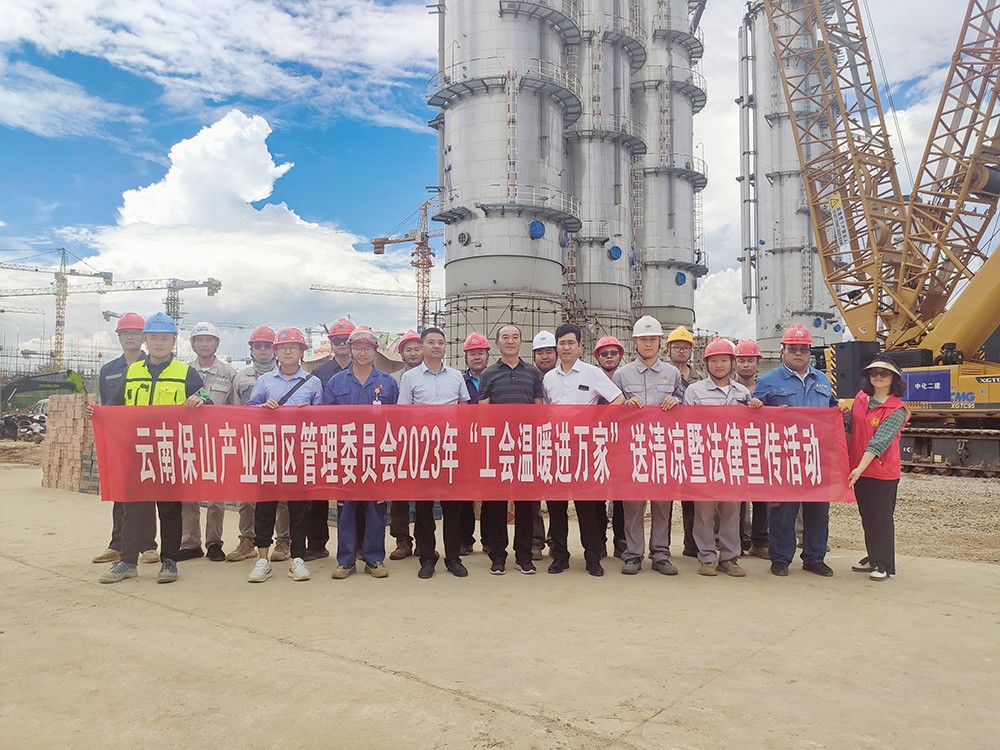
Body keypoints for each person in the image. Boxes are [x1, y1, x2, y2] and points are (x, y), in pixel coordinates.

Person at [96, 312, 211, 585]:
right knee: (133, 509)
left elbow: (206, 398)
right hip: (136, 451)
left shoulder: (185, 372)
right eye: (154, 338)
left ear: (174, 341)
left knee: (169, 509)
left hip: (169, 451)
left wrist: (200, 400)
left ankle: (169, 560)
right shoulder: (133, 371)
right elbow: (114, 405)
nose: (159, 343)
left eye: (165, 338)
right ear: (146, 340)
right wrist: (98, 414)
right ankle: (127, 561)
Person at [753, 324, 842, 577]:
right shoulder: (768, 382)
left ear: (809, 352)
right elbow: (755, 419)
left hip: (817, 456)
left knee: (818, 511)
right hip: (784, 458)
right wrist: (760, 409)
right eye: (793, 349)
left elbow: (832, 412)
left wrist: (840, 415)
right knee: (783, 512)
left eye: (803, 349)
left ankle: (814, 558)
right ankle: (780, 558)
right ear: (783, 350)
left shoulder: (822, 380)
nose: (798, 354)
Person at [543, 324, 625, 576]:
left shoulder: (592, 373)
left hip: (584, 448)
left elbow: (618, 399)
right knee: (556, 506)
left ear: (580, 346)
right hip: (556, 448)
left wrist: (596, 422)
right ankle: (560, 556)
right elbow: (544, 410)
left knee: (587, 506)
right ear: (557, 347)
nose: (566, 347)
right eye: (562, 343)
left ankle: (592, 557)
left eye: (571, 343)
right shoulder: (548, 378)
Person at [244, 327, 324, 583]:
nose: (288, 352)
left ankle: (297, 558)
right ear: (275, 352)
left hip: (299, 453)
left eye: (293, 348)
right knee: (265, 506)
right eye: (283, 348)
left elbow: (323, 420)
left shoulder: (312, 382)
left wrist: (310, 411)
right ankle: (262, 559)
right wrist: (262, 407)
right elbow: (248, 412)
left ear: (302, 352)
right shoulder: (265, 381)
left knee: (298, 507)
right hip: (270, 451)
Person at [681, 338, 763, 577]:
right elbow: (686, 425)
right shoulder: (694, 391)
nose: (719, 365)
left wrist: (756, 408)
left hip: (733, 460)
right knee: (704, 511)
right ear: (706, 363)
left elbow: (751, 426)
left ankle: (729, 557)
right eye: (714, 361)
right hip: (705, 458)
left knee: (731, 511)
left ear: (732, 363)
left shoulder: (742, 393)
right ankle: (706, 557)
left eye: (724, 360)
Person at [324, 327, 399, 579]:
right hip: (346, 454)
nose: (362, 352)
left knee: (376, 508)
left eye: (367, 348)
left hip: (376, 455)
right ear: (350, 349)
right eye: (357, 348)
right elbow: (326, 420)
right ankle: (346, 561)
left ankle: (374, 559)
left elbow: (395, 421)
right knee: (346, 509)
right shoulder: (336, 382)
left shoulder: (387, 382)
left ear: (375, 350)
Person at [612, 316, 683, 576]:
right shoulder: (622, 374)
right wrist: (624, 405)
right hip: (632, 449)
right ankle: (633, 554)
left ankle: (661, 554)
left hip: (663, 448)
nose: (648, 344)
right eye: (644, 339)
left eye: (653, 339)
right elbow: (611, 409)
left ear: (660, 342)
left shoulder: (672, 373)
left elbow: (684, 404)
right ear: (635, 342)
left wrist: (676, 401)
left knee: (662, 504)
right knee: (632, 504)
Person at [399, 326, 471, 579]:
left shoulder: (456, 376)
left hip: (451, 448)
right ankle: (427, 557)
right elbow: (404, 413)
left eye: (440, 342)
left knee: (453, 506)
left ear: (445, 347)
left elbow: (464, 408)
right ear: (422, 347)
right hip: (423, 449)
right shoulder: (410, 378)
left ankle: (453, 558)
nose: (436, 346)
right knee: (424, 506)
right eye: (431, 342)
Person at [91, 313, 159, 567]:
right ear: (119, 337)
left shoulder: (152, 365)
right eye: (125, 333)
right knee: (121, 493)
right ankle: (116, 544)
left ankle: (147, 546)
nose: (130, 337)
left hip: (147, 438)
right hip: (120, 440)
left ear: (143, 337)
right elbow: (107, 406)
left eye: (135, 333)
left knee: (147, 491)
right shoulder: (109, 370)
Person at [478, 324, 544, 574]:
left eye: (515, 337)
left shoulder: (532, 373)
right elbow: (483, 411)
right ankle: (498, 556)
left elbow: (539, 408)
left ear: (521, 342)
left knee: (525, 504)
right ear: (497, 344)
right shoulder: (489, 374)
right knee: (497, 504)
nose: (510, 341)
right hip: (498, 447)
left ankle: (524, 556)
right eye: (505, 337)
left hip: (526, 446)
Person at [847, 355, 909, 581]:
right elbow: (851, 428)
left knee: (881, 518)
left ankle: (883, 564)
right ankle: (873, 556)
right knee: (867, 516)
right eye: (874, 372)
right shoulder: (861, 398)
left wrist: (858, 468)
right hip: (859, 470)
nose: (878, 377)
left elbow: (879, 442)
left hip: (882, 472)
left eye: (884, 373)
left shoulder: (896, 409)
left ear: (894, 378)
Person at [178, 322, 236, 562]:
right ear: (192, 344)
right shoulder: (182, 372)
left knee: (216, 497)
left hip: (217, 441)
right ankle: (190, 543)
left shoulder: (229, 373)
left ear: (217, 344)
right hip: (189, 440)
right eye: (199, 340)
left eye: (209, 339)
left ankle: (214, 543)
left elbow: (235, 408)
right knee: (188, 496)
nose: (204, 344)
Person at [227, 325, 284, 563]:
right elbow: (234, 411)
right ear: (251, 349)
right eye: (258, 346)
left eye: (267, 345)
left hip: (280, 443)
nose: (262, 350)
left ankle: (284, 540)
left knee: (282, 495)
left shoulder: (285, 375)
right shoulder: (241, 377)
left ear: (274, 349)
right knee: (248, 495)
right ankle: (247, 540)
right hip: (250, 442)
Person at [306, 317, 357, 562]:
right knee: (318, 495)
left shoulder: (365, 367)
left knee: (356, 495)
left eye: (346, 340)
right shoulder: (320, 372)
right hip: (327, 442)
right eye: (337, 340)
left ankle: (358, 546)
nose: (342, 344)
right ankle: (317, 545)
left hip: (357, 442)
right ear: (331, 343)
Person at [666, 324, 703, 558]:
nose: (681, 351)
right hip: (664, 442)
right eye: (677, 347)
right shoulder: (661, 374)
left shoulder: (701, 378)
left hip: (692, 444)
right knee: (663, 498)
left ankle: (693, 544)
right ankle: (662, 548)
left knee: (692, 498)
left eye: (685, 347)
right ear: (667, 349)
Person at [388, 328, 423, 560]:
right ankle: (402, 540)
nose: (413, 353)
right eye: (408, 349)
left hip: (424, 442)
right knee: (399, 494)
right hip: (398, 442)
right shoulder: (392, 380)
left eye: (416, 348)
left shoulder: (433, 376)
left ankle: (423, 540)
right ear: (401, 353)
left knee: (423, 495)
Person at [734, 339, 769, 559]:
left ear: (758, 362)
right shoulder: (729, 388)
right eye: (742, 360)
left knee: (762, 498)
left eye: (750, 360)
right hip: (735, 449)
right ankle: (736, 541)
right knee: (735, 500)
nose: (746, 365)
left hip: (761, 449)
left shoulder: (767, 387)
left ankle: (760, 542)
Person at [593, 334, 627, 558]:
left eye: (613, 353)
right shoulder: (591, 376)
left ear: (620, 356)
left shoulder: (627, 377)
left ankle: (621, 543)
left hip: (622, 442)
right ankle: (599, 543)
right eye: (604, 354)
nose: (609, 357)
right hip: (596, 442)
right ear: (598, 357)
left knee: (621, 496)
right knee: (596, 495)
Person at [461, 332, 490, 556]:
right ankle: (465, 540)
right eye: (472, 354)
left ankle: (489, 540)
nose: (476, 357)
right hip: (466, 445)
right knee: (465, 495)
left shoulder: (495, 378)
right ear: (466, 358)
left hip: (490, 443)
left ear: (487, 355)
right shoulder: (459, 381)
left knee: (490, 494)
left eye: (480, 353)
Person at [529, 330, 557, 560]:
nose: (545, 356)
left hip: (560, 442)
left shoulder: (564, 376)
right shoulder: (528, 376)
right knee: (532, 496)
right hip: (533, 442)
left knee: (557, 496)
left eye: (549, 351)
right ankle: (535, 541)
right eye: (540, 353)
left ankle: (556, 541)